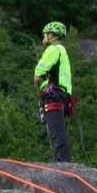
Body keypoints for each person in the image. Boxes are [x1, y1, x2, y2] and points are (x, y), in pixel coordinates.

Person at [34, 20, 75, 163]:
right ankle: (63, 161)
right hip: (63, 96)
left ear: (51, 35)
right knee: (59, 130)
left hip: (53, 95)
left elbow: (37, 74)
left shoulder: (53, 50)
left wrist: (40, 80)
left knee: (56, 132)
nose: (44, 37)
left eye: (45, 35)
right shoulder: (63, 52)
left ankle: (62, 163)